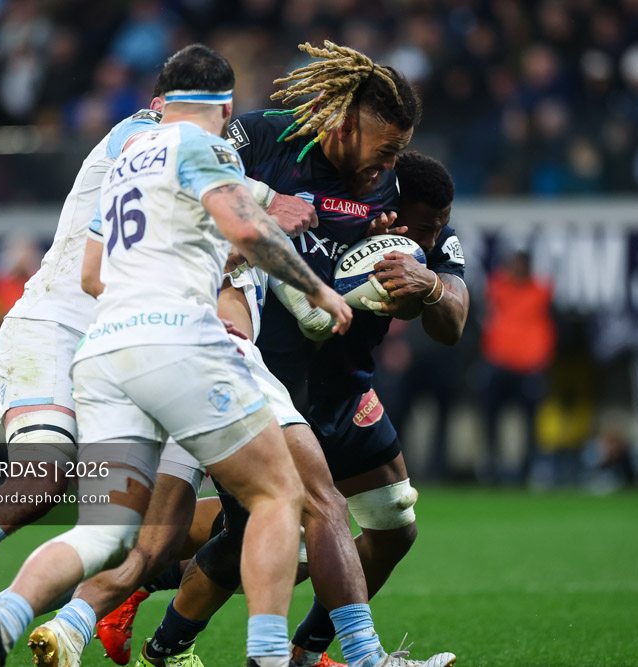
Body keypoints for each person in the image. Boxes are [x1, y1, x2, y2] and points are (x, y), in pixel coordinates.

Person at [0, 71, 315, 667]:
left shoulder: (200, 205)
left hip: (128, 350)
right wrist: (270, 203)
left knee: (149, 534)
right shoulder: (137, 135)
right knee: (42, 480)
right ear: (158, 107)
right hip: (55, 330)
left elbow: (235, 294)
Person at [0, 43, 352, 667]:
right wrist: (318, 289)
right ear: (225, 107)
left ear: (163, 101)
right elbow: (250, 230)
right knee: (280, 495)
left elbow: (92, 272)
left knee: (105, 533)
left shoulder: (128, 158)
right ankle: (271, 657)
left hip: (103, 351)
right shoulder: (207, 150)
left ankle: (0, 617)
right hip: (175, 345)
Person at [115, 148, 466, 667]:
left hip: (347, 392)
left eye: (439, 229)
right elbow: (310, 312)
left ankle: (305, 654)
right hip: (278, 387)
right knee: (281, 547)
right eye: (425, 227)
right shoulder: (323, 209)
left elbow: (454, 321)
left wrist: (431, 284)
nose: (432, 239)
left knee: (394, 525)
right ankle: (155, 627)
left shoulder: (430, 236)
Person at [478, 248, 556, 484]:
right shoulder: (497, 287)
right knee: (490, 416)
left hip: (528, 366)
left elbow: (550, 325)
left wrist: (542, 357)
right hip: (499, 363)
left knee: (530, 421)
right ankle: (492, 466)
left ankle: (528, 468)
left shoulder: (541, 290)